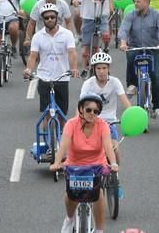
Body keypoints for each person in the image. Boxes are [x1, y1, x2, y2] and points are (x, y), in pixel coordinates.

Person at [50, 94, 118, 233]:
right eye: (89, 110)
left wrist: (114, 163)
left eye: (96, 111)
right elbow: (63, 146)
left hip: (97, 165)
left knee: (98, 194)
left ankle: (99, 229)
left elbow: (108, 147)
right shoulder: (71, 124)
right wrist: (57, 163)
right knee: (71, 194)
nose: (92, 113)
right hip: (74, 165)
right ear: (81, 109)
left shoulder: (103, 125)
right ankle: (69, 219)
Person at [118, 0, 159, 117]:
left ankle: (157, 107)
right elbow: (124, 29)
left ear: (146, 2)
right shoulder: (130, 15)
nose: (135, 3)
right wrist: (123, 43)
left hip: (153, 49)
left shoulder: (157, 15)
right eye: (135, 1)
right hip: (135, 47)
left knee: (156, 77)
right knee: (130, 56)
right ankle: (132, 84)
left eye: (138, 1)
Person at [24, 3, 79, 120]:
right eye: (46, 17)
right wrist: (29, 70)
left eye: (52, 17)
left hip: (62, 77)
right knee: (47, 114)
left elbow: (72, 52)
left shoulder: (67, 34)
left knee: (62, 115)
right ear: (42, 20)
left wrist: (74, 68)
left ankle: (62, 136)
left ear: (57, 18)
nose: (49, 19)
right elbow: (33, 56)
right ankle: (48, 134)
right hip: (44, 77)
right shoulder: (37, 36)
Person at [80, 52, 130, 162]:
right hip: (92, 122)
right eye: (98, 68)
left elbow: (125, 102)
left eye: (104, 68)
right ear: (94, 69)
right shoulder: (88, 84)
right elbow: (80, 106)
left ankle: (115, 176)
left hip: (110, 123)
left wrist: (131, 116)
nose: (101, 71)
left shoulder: (115, 82)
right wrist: (78, 122)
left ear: (108, 68)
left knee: (115, 149)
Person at [73, 0, 122, 70]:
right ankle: (85, 69)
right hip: (88, 17)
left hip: (102, 16)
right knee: (85, 46)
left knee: (106, 35)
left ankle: (105, 48)